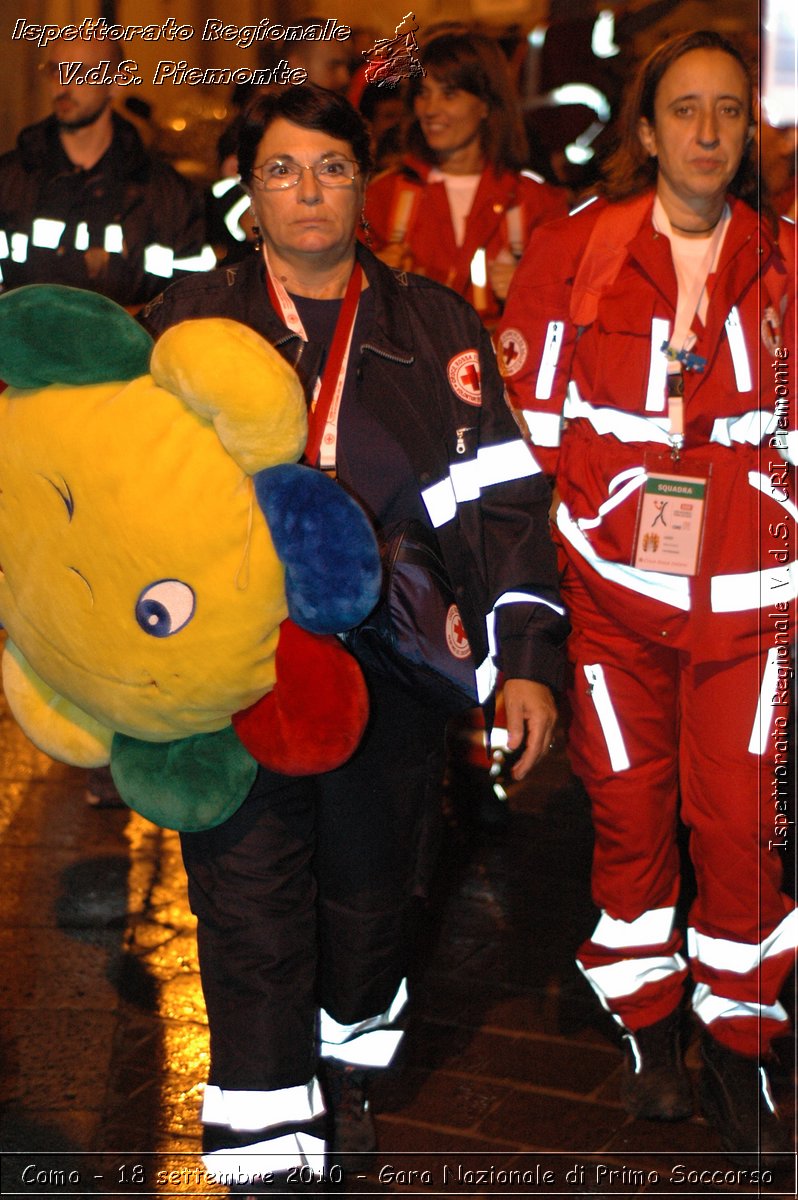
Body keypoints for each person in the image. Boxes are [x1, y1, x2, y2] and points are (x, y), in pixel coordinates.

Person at [142, 84, 567, 1193]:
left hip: (390, 669)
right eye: (282, 169)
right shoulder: (190, 325)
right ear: (249, 190)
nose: (308, 189)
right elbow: (129, 497)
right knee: (248, 906)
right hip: (233, 667)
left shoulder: (434, 328)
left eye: (330, 165)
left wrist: (523, 664)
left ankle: (345, 1057)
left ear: (364, 181)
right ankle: (271, 1146)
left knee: (372, 900)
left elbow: (505, 505)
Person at [499, 30, 796, 1167]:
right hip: (614, 604)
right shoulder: (575, 253)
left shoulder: (789, 260)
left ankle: (741, 1037)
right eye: (686, 110)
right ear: (645, 128)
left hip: (754, 605)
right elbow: (526, 443)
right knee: (629, 819)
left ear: (750, 131)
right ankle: (650, 1027)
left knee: (741, 825)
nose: (710, 133)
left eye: (730, 111)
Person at [363, 30, 567, 328]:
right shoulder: (383, 196)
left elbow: (570, 309)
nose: (431, 110)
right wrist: (371, 275)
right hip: (408, 368)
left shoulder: (535, 202)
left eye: (449, 94)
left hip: (498, 368)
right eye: (423, 93)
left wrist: (529, 289)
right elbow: (335, 296)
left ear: (486, 104)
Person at [0, 35, 210, 308]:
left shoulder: (168, 194)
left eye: (79, 72)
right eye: (55, 71)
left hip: (134, 348)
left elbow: (192, 301)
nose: (62, 86)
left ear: (117, 83)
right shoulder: (10, 181)